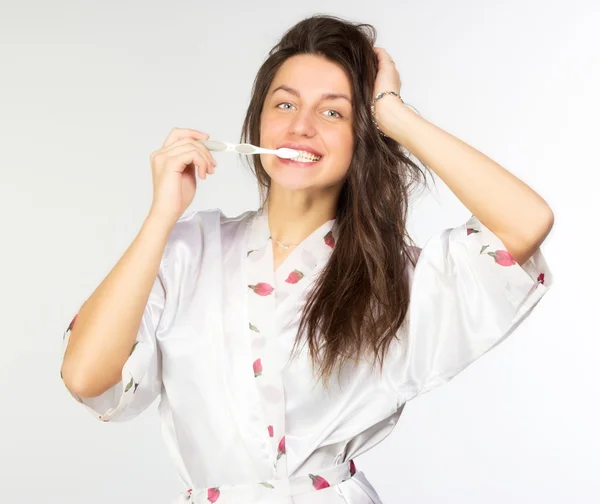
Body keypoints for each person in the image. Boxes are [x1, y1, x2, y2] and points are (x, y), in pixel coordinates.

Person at [60, 14, 553, 504]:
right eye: (285, 104)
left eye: (332, 113)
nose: (300, 127)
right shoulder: (188, 248)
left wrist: (395, 114)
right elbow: (86, 377)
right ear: (257, 122)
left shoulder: (392, 277)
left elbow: (524, 222)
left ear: (363, 134)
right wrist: (162, 216)